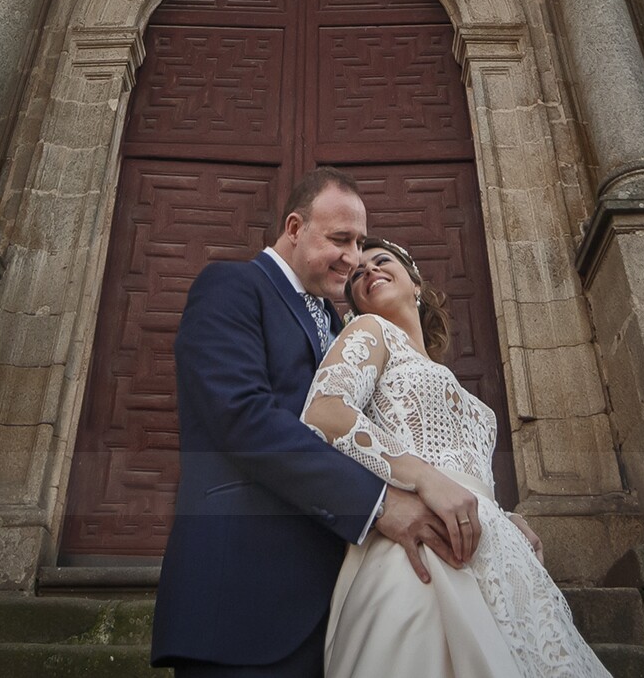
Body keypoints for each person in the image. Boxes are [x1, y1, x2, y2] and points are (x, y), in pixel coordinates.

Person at [152, 168, 463, 678]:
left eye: (360, 241)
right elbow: (242, 418)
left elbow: (392, 437)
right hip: (244, 594)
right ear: (294, 227)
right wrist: (377, 504)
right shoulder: (231, 285)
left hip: (337, 607)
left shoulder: (345, 329)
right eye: (340, 239)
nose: (354, 256)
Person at [302, 237, 612, 678]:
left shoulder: (460, 390)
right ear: (353, 305)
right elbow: (324, 412)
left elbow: (465, 473)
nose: (367, 271)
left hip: (495, 551)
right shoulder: (370, 332)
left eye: (381, 261)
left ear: (416, 284)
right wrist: (424, 478)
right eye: (356, 274)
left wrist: (506, 516)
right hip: (420, 543)